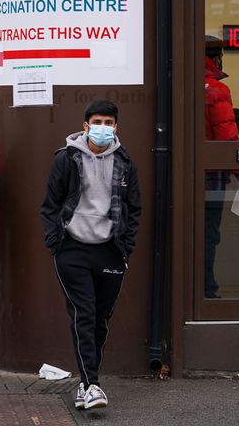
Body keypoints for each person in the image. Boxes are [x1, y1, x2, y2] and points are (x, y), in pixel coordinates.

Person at [40, 100, 141, 410]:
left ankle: (86, 382)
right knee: (84, 313)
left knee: (99, 319)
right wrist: (56, 242)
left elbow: (134, 208)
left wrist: (125, 246)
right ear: (85, 126)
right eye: (97, 121)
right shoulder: (66, 160)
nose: (103, 128)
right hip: (72, 250)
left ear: (116, 127)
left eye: (109, 122)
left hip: (110, 251)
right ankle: (92, 384)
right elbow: (50, 205)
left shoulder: (125, 162)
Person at [203, 35, 238, 299]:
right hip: (211, 178)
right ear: (215, 58)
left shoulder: (181, 83)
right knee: (209, 234)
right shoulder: (216, 89)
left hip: (187, 176)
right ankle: (207, 290)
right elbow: (227, 138)